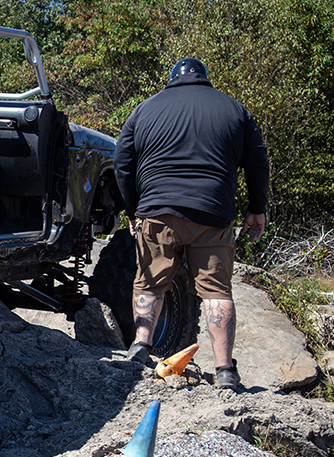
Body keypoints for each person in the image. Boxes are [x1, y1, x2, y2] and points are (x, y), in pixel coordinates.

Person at [113, 57, 270, 390]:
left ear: (172, 79)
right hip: (212, 213)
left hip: (157, 211)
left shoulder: (146, 109)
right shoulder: (234, 109)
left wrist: (134, 209)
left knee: (150, 282)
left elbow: (122, 163)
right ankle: (225, 369)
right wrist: (257, 208)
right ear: (205, 78)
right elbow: (257, 162)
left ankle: (141, 347)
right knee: (216, 291)